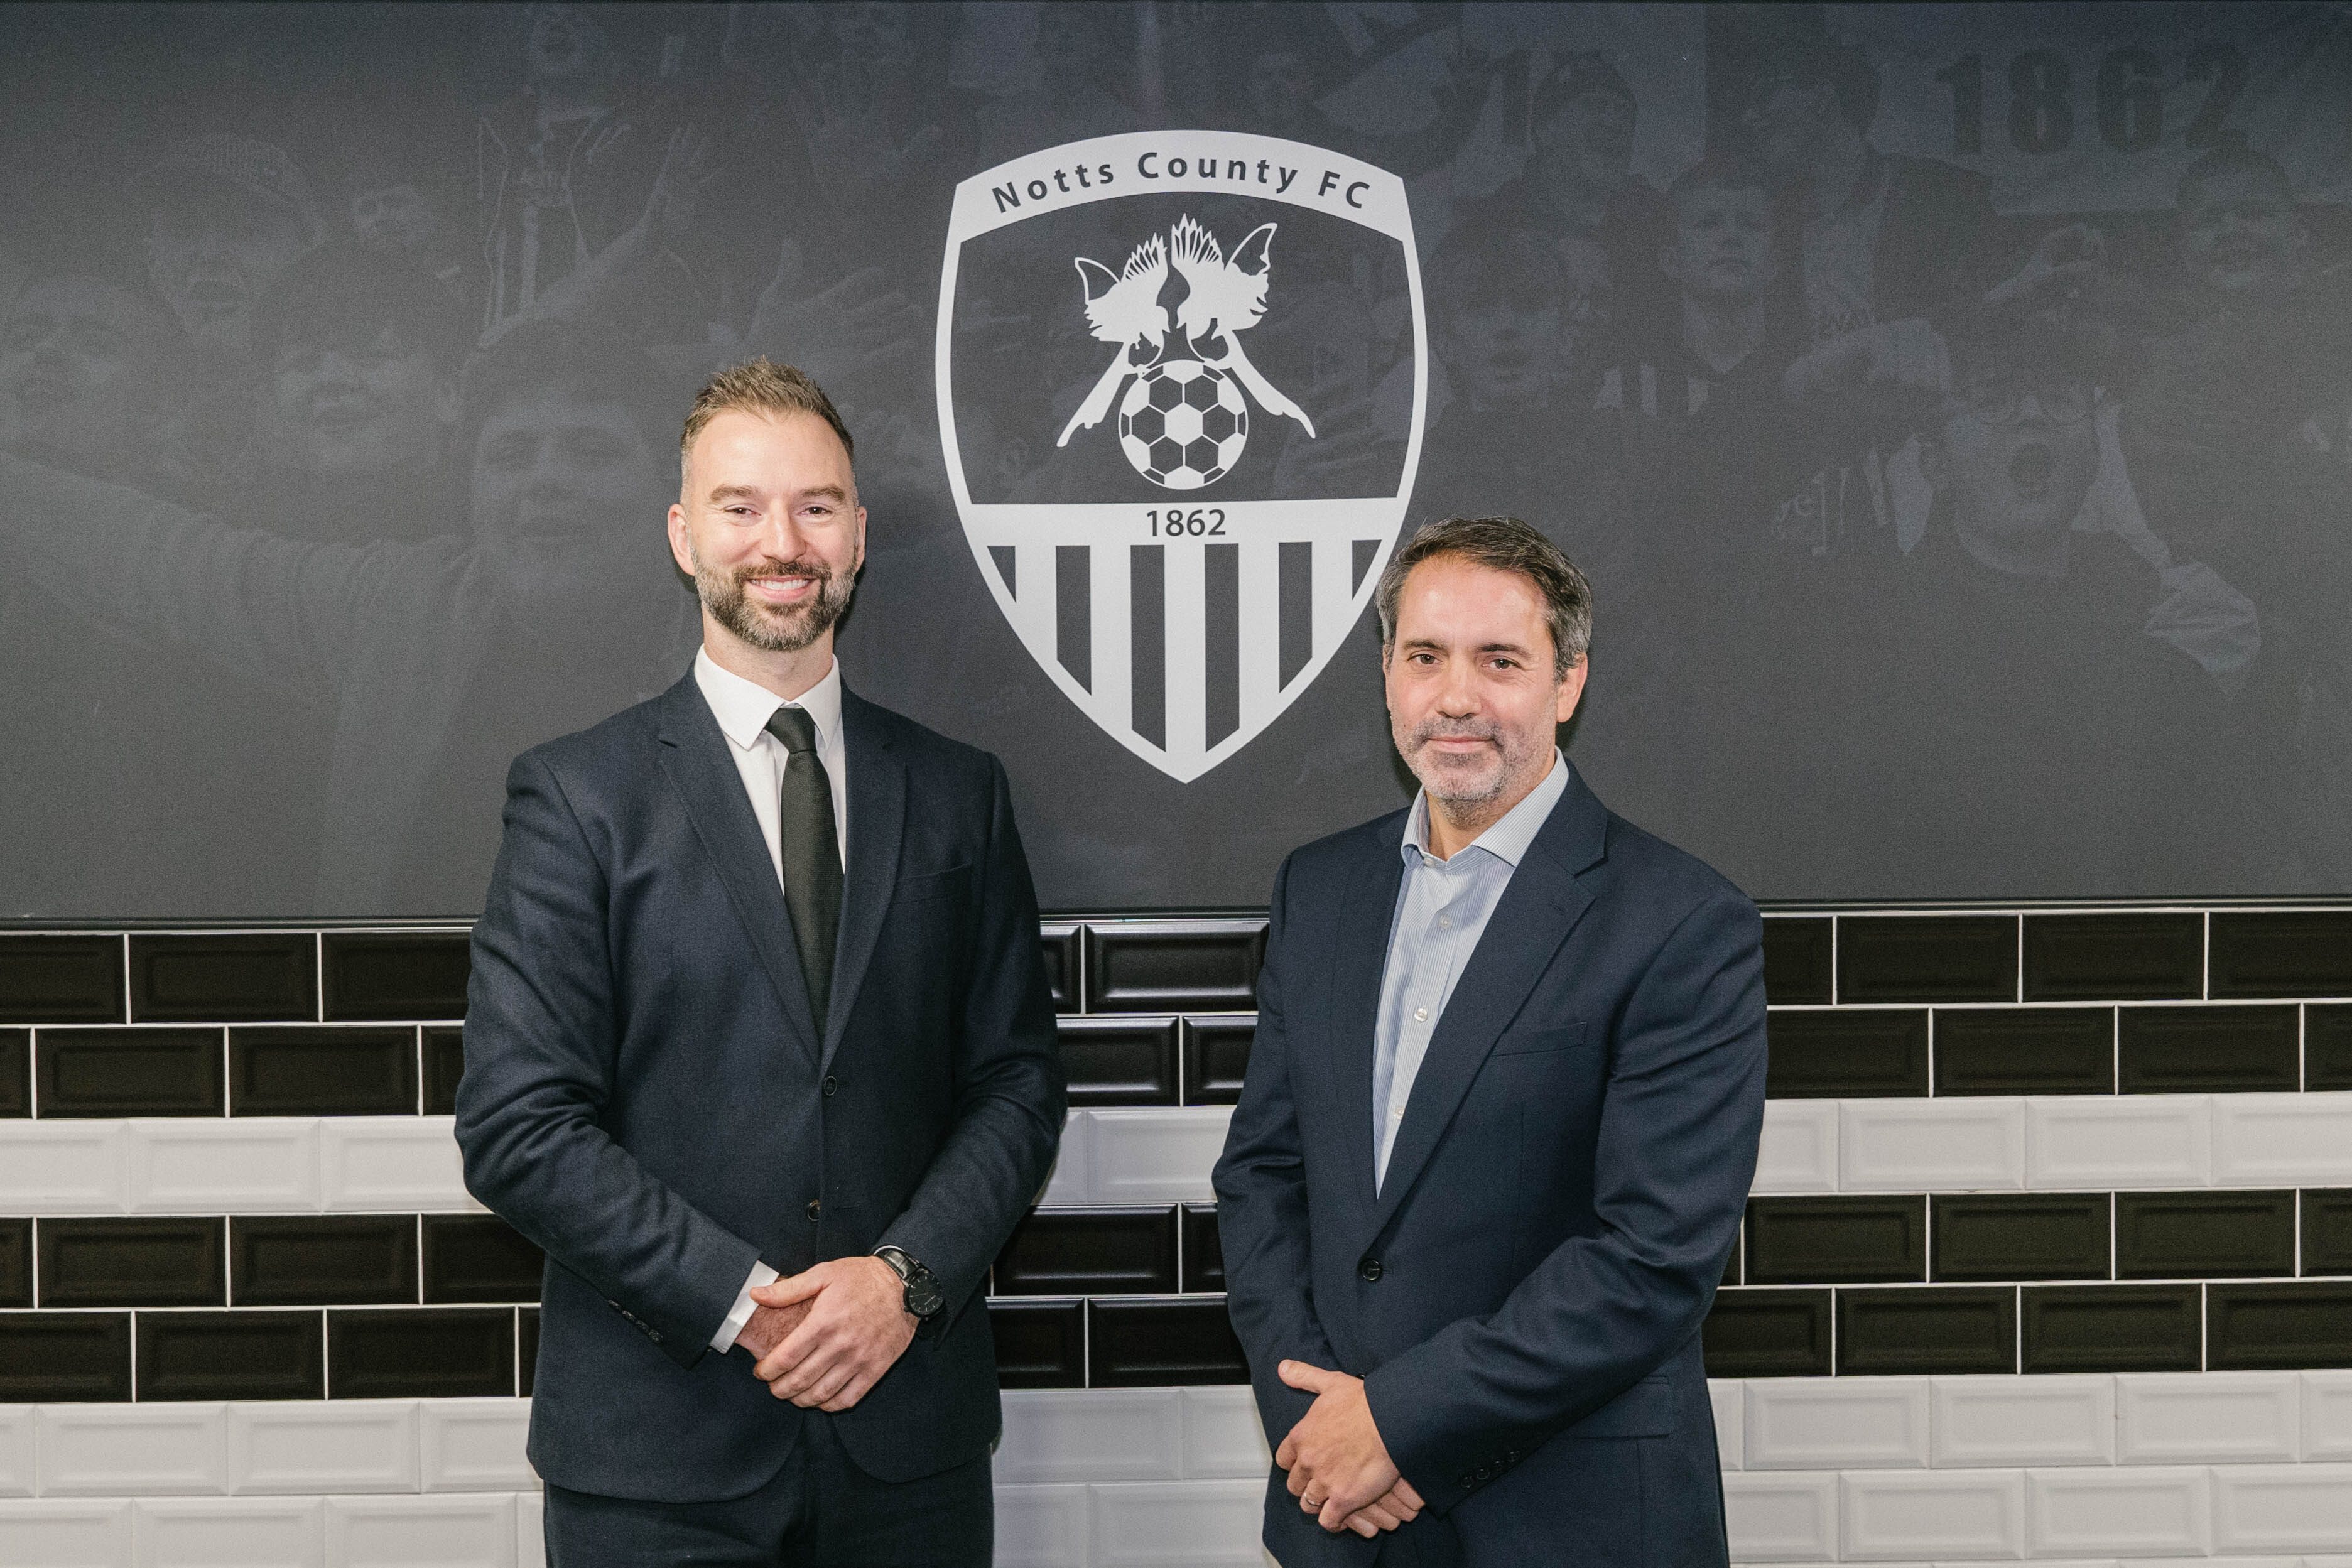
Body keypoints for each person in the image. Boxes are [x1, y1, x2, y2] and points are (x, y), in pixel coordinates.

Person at [455, 357, 1065, 1565]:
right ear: (685, 537)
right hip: (656, 1463)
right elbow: (519, 1125)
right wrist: (747, 1303)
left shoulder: (958, 795)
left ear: (858, 535)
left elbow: (1017, 1085)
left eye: (816, 506)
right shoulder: (577, 797)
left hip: (910, 1451)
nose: (781, 541)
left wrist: (901, 1282)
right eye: (740, 507)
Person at [1214, 516, 1767, 1565]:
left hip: (1574, 1519)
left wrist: (1396, 1422)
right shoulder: (1320, 889)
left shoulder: (1683, 923)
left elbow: (1650, 1258)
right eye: (1425, 657)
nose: (1456, 697)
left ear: (1569, 683)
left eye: (1499, 661)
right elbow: (1264, 1177)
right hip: (1345, 1520)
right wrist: (1317, 1426)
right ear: (1387, 675)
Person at [0, 320, 698, 913]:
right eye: (511, 455)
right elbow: (174, 559)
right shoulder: (407, 605)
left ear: (675, 493)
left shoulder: (757, 643)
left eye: (592, 450)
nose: (546, 480)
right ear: (473, 489)